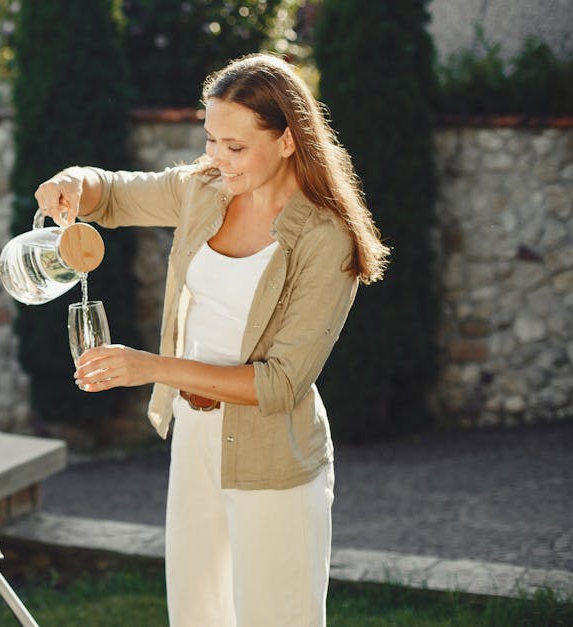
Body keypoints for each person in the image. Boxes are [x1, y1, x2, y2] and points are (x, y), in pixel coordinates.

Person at [33, 53, 389, 626]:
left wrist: (149, 367)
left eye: (236, 147)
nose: (217, 159)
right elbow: (116, 196)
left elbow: (280, 382)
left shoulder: (328, 239)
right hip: (195, 439)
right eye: (211, 140)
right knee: (197, 616)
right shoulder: (205, 189)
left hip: (273, 456)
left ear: (289, 140)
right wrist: (75, 181)